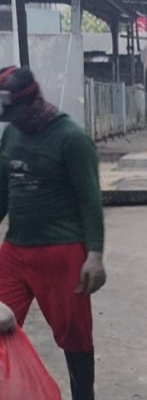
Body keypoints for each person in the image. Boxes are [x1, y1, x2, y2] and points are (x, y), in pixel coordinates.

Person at [0, 66, 105, 400]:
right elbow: (3, 193)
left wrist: (95, 255)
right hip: (15, 252)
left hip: (62, 255)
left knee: (75, 340)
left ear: (32, 103)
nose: (9, 119)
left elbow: (90, 200)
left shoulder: (72, 139)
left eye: (13, 112)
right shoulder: (11, 135)